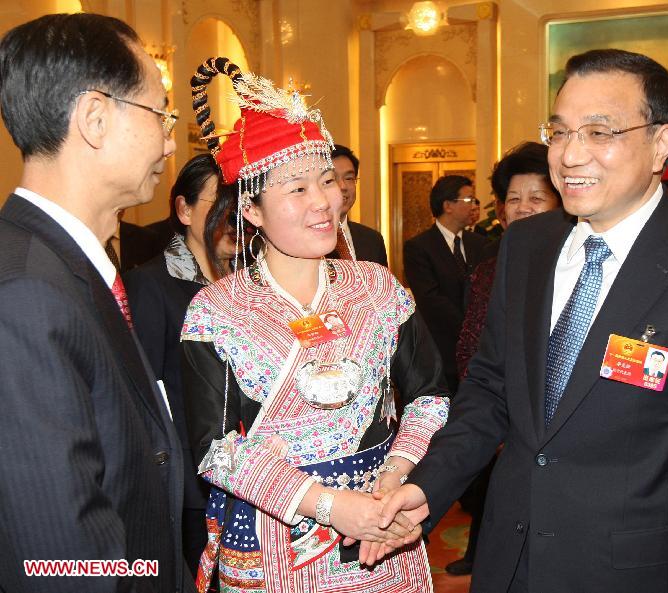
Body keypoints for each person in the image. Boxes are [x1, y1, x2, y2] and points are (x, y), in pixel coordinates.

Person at [377, 48, 668, 593]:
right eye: (560, 132)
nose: (570, 156)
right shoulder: (527, 245)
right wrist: (427, 486)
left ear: (661, 143)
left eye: (599, 132)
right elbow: (492, 388)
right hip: (510, 558)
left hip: (627, 571)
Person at [180, 57, 449, 593]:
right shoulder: (216, 310)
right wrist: (330, 506)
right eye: (296, 189)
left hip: (383, 526)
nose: (323, 201)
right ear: (252, 212)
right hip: (277, 534)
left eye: (326, 181)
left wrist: (394, 482)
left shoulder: (376, 287)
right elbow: (215, 448)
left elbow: (430, 395)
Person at [0, 13, 189, 593]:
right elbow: (64, 560)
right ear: (95, 119)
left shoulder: (68, 267)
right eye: (161, 114)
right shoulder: (28, 293)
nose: (171, 140)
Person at [447, 140, 562, 577]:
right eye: (513, 199)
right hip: (503, 426)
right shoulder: (488, 271)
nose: (524, 208)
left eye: (537, 198)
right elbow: (472, 349)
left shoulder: (583, 263)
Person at [124, 153, 236, 576]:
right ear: (184, 209)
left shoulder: (251, 280)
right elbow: (147, 392)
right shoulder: (152, 284)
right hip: (192, 480)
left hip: (256, 470)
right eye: (218, 205)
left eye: (238, 204)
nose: (230, 218)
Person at [403, 175, 490, 391]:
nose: (474, 206)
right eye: (469, 200)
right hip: (441, 349)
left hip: (479, 352)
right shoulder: (419, 247)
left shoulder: (480, 244)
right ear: (448, 205)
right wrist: (470, 325)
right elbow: (430, 299)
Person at [326, 144, 388, 265]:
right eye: (332, 179)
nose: (342, 186)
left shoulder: (373, 240)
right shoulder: (304, 240)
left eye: (349, 178)